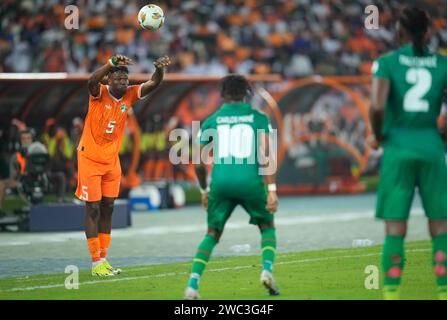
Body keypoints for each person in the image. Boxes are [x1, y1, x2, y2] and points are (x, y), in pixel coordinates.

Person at [369, 7, 447, 300]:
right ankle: (443, 292)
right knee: (440, 225)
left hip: (397, 147)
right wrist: (440, 136)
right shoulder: (442, 64)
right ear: (428, 33)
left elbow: (377, 106)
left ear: (399, 32)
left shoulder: (386, 63)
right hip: (431, 146)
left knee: (395, 227)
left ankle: (391, 294)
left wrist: (378, 137)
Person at [75, 54, 171, 277]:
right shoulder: (98, 93)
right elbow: (90, 81)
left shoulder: (129, 95)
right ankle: (95, 262)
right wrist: (110, 64)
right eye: (117, 78)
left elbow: (153, 83)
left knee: (108, 208)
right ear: (108, 80)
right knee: (93, 208)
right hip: (89, 158)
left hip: (112, 161)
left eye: (125, 79)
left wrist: (159, 69)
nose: (122, 81)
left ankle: (104, 259)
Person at [184, 74, 279, 299]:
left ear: (222, 95)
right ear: (247, 93)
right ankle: (266, 270)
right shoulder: (259, 118)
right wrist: (272, 190)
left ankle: (192, 286)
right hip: (250, 183)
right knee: (267, 226)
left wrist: (204, 190)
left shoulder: (211, 120)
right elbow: (266, 155)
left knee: (212, 234)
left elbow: (197, 162)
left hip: (221, 184)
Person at [0, 129, 33, 214]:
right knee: (1, 183)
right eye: (23, 139)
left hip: (36, 180)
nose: (26, 141)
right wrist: (16, 181)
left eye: (28, 138)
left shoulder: (38, 151)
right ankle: (0, 211)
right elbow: (13, 175)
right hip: (21, 181)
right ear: (20, 141)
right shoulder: (16, 156)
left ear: (31, 140)